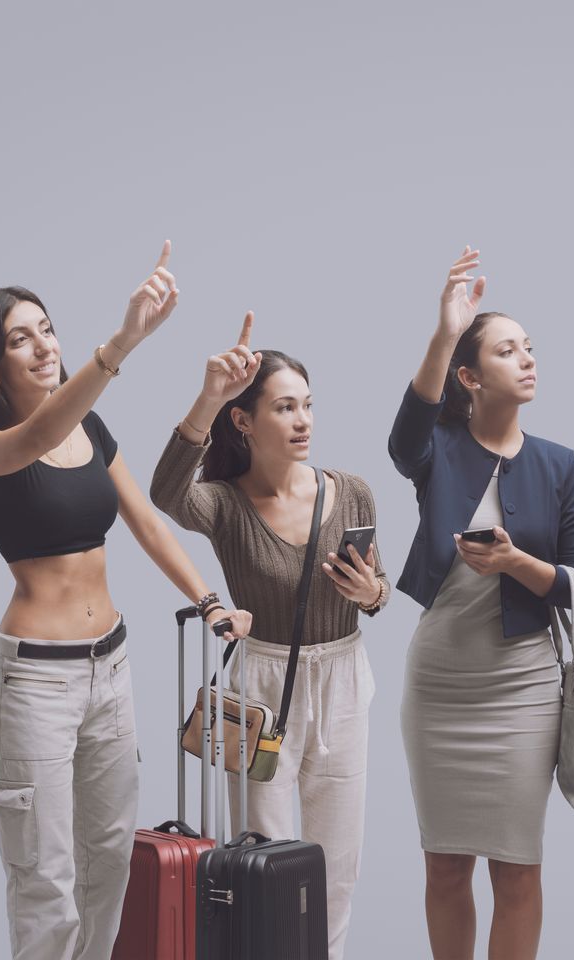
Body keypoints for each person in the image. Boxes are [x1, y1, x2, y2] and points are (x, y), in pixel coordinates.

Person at [0, 244, 252, 960]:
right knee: (45, 877)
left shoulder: (88, 427)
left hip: (109, 670)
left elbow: (146, 521)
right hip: (37, 681)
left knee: (110, 858)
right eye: (19, 338)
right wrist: (125, 341)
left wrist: (210, 600)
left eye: (46, 328)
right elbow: (42, 431)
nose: (42, 345)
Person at [149, 311, 389, 959]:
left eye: (308, 405)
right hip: (258, 684)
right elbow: (166, 493)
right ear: (244, 421)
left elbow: (379, 586)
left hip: (342, 678)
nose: (303, 420)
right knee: (262, 853)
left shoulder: (354, 492)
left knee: (338, 864)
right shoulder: (225, 503)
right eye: (285, 407)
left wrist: (373, 595)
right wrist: (208, 395)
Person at [388, 247, 574, 960]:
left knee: (516, 866)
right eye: (509, 351)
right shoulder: (439, 448)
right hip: (440, 683)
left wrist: (516, 563)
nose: (528, 359)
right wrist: (446, 331)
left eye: (530, 348)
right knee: (444, 863)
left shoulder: (559, 464)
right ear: (471, 377)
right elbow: (402, 438)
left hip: (523, 685)